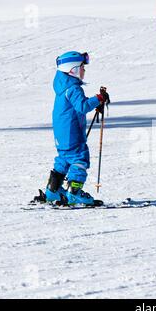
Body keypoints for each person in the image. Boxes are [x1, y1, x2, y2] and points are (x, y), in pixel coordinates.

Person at [44, 51, 110, 206]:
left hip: (62, 133)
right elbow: (82, 106)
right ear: (72, 69)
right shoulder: (73, 88)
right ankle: (74, 193)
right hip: (71, 132)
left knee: (65, 158)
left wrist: (96, 102)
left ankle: (53, 190)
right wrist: (99, 99)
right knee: (79, 157)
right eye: (82, 67)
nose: (84, 71)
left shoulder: (63, 86)